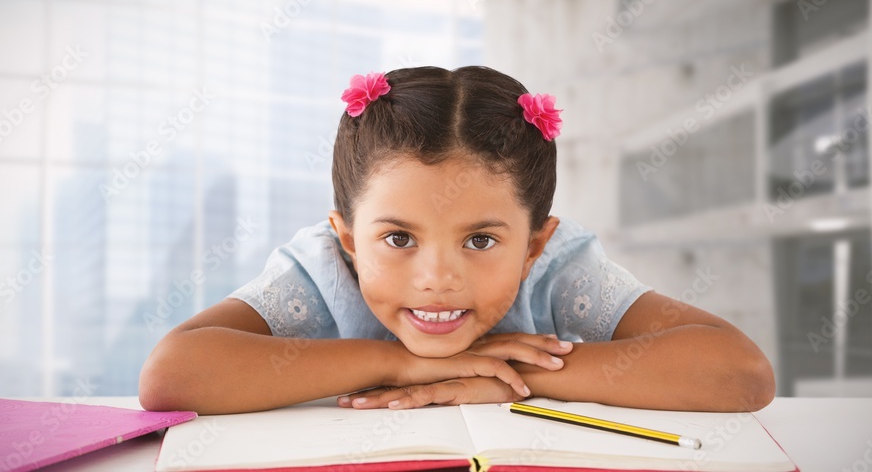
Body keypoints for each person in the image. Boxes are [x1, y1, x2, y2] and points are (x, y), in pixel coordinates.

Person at [139, 66, 775, 415]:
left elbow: (739, 373)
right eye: (396, 238)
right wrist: (402, 364)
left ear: (533, 246)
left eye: (479, 241)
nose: (436, 277)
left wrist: (509, 377)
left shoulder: (559, 267)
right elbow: (173, 376)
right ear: (350, 240)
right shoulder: (323, 268)